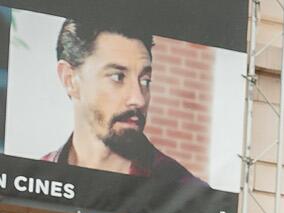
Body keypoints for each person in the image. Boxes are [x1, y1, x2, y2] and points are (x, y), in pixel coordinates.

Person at [47, 21, 208, 185]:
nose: (138, 99)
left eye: (145, 81)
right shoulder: (37, 177)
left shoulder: (187, 194)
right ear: (70, 80)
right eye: (117, 77)